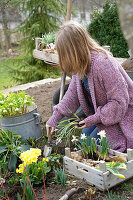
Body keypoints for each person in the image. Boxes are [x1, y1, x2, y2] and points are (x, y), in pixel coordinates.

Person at [46, 21, 133, 153]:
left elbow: (119, 103)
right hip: (106, 115)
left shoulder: (103, 65)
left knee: (92, 146)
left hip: (124, 116)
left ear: (73, 51)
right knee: (84, 141)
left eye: (63, 54)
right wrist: (54, 119)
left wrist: (93, 119)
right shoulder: (81, 65)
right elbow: (72, 96)